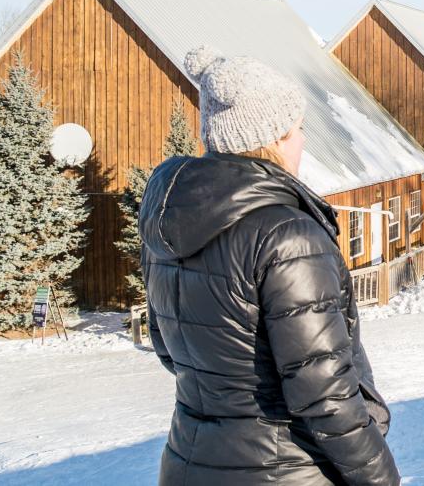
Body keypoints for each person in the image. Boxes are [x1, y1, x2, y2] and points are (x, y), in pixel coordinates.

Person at [140, 47, 400, 486]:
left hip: (189, 463)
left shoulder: (169, 217)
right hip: (282, 470)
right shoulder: (287, 235)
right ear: (275, 137)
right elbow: (325, 393)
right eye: (297, 130)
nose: (302, 141)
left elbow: (168, 346)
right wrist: (381, 479)